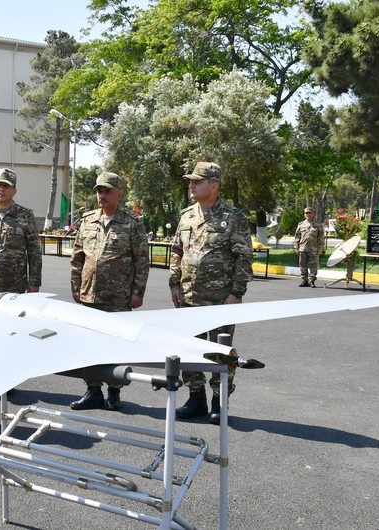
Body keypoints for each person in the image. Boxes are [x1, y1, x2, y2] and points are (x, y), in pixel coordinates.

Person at [169, 161, 252, 425]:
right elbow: (176, 252)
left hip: (220, 300)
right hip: (189, 297)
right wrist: (174, 283)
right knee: (190, 348)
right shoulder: (187, 216)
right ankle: (196, 398)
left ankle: (220, 401)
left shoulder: (233, 216)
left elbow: (244, 257)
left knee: (220, 351)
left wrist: (236, 292)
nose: (191, 185)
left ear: (213, 186)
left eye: (197, 181)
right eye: (191, 181)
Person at [69, 172, 149, 411]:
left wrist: (138, 292)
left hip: (119, 297)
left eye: (106, 191)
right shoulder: (87, 220)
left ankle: (114, 392)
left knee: (116, 344)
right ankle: (92, 390)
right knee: (88, 345)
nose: (101, 195)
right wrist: (75, 287)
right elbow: (77, 257)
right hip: (89, 294)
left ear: (118, 194)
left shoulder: (132, 223)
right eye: (99, 191)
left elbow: (142, 261)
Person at [0, 168, 42, 294]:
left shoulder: (26, 216)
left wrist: (34, 283)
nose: (1, 189)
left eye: (6, 186)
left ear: (14, 191)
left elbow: (34, 253)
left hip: (15, 286)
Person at [293, 206, 324, 288]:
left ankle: (312, 281)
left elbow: (321, 237)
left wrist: (320, 248)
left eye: (310, 213)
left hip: (313, 249)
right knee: (302, 264)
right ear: (304, 214)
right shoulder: (301, 224)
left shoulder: (318, 224)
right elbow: (297, 237)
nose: (308, 214)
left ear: (313, 214)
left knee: (313, 265)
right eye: (306, 213)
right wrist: (296, 247)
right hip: (303, 248)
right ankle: (304, 280)